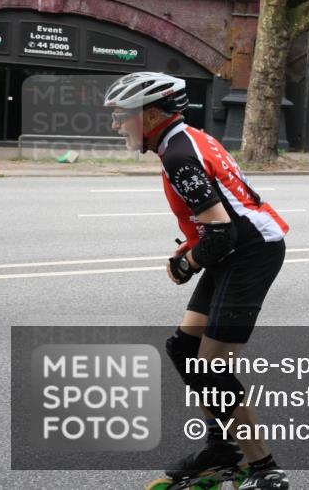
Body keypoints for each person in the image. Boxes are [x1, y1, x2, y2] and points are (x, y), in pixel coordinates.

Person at [104, 72, 290, 489]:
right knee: (185, 347)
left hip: (250, 252)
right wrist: (192, 248)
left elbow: (221, 230)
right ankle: (221, 449)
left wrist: (187, 263)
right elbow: (220, 222)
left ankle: (265, 469)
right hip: (238, 246)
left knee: (210, 367)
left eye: (122, 116)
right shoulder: (186, 138)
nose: (117, 125)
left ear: (151, 115)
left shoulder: (178, 156)